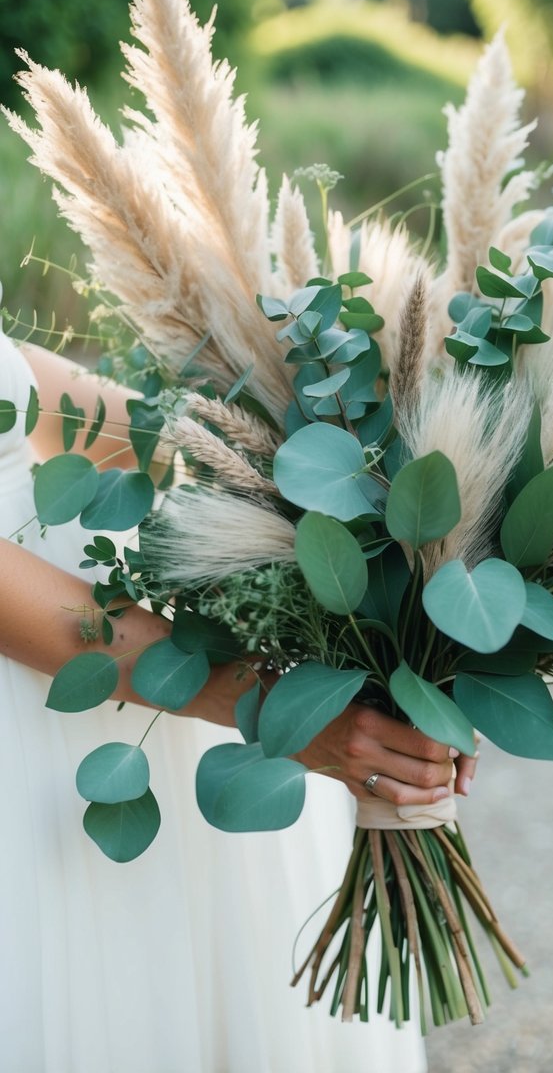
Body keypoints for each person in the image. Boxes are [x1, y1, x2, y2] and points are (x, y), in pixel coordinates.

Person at [0, 326, 477, 1072]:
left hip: (135, 656)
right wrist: (275, 711)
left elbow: (53, 398)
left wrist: (314, 483)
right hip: (42, 699)